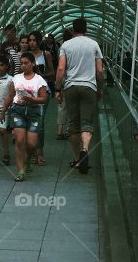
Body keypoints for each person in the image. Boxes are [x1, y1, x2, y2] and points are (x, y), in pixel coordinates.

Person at [54, 17, 103, 174]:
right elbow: (99, 71)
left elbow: (61, 69)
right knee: (87, 123)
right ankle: (85, 148)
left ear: (73, 29)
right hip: (89, 87)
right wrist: (100, 89)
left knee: (73, 124)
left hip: (71, 87)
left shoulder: (66, 45)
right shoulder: (94, 44)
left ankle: (77, 159)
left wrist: (57, 89)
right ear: (86, 29)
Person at [1, 51, 48, 181]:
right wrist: (3, 110)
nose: (23, 66)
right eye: (21, 63)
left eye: (26, 63)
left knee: (31, 143)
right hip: (18, 111)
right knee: (20, 141)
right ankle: (20, 171)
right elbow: (11, 95)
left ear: (33, 63)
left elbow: (43, 98)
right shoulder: (16, 78)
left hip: (34, 112)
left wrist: (33, 99)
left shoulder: (39, 80)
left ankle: (28, 159)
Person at [28, 31, 54, 165]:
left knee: (40, 123)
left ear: (38, 41)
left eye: (34, 40)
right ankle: (33, 151)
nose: (31, 43)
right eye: (30, 40)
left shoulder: (46, 54)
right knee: (31, 122)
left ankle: (40, 151)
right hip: (29, 92)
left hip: (43, 91)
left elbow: (52, 73)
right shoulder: (26, 55)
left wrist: (41, 74)